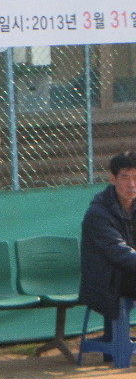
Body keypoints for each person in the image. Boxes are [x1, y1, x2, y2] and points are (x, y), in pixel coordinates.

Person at [79, 151, 136, 353]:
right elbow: (118, 252)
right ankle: (118, 348)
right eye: (125, 177)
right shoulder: (98, 213)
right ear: (112, 179)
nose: (132, 184)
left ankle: (120, 346)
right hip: (104, 281)